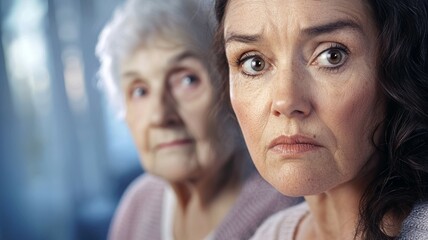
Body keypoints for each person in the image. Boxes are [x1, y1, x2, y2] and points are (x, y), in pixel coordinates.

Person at [214, 0, 428, 239]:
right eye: (254, 63)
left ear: (399, 67)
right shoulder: (270, 233)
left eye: (332, 56)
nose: (286, 102)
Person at [96, 0, 301, 239]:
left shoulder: (289, 212)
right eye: (140, 91)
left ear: (234, 87)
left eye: (187, 80)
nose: (160, 116)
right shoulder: (138, 204)